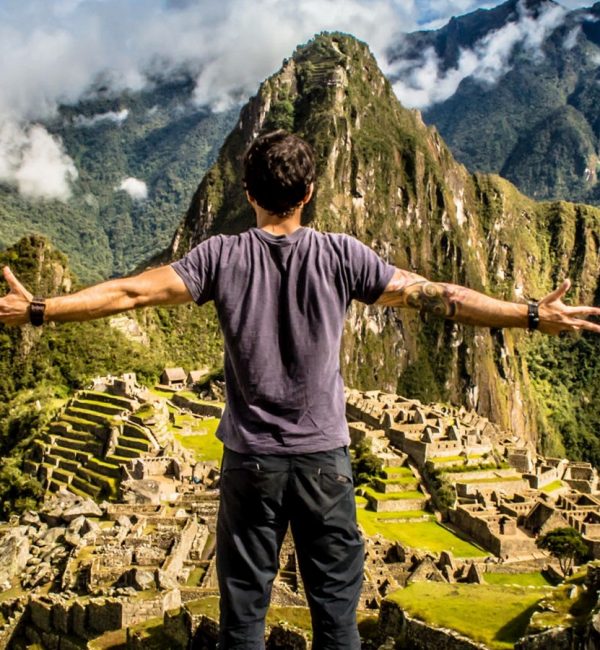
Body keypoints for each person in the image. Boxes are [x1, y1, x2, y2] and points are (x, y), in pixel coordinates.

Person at [1, 130, 599, 649]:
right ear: (309, 193)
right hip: (325, 467)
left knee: (243, 622)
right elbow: (439, 295)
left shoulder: (221, 256)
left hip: (251, 467)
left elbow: (129, 293)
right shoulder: (342, 256)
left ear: (248, 193)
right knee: (338, 622)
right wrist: (529, 315)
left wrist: (37, 309)